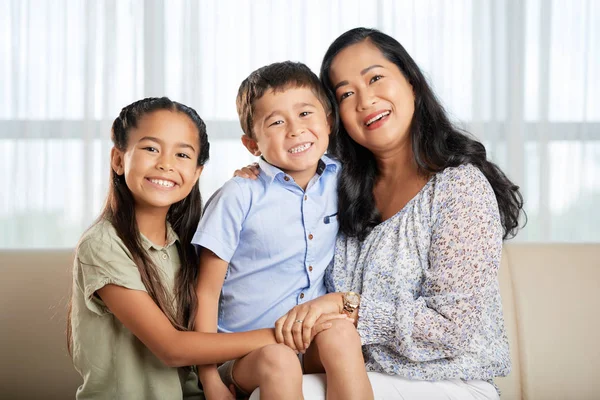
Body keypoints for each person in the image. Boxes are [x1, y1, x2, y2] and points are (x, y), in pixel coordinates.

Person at [242, 28, 525, 399]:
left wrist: (347, 307)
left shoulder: (459, 187)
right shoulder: (336, 185)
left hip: (448, 381)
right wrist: (257, 174)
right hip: (354, 375)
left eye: (375, 78)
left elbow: (451, 328)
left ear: (410, 81)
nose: (364, 100)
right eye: (345, 93)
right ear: (333, 116)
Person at [66, 97, 337, 400]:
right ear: (118, 160)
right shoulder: (103, 244)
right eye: (151, 149)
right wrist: (289, 332)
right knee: (279, 355)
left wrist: (258, 179)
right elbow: (172, 348)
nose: (166, 164)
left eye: (182, 154)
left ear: (196, 173)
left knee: (285, 360)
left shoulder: (185, 240)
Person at [193, 62, 373, 400]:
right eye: (276, 122)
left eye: (306, 113)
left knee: (344, 334)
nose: (295, 129)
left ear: (328, 121)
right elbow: (205, 293)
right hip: (247, 354)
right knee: (280, 360)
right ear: (252, 144)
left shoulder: (343, 179)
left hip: (309, 338)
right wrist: (209, 380)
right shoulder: (238, 195)